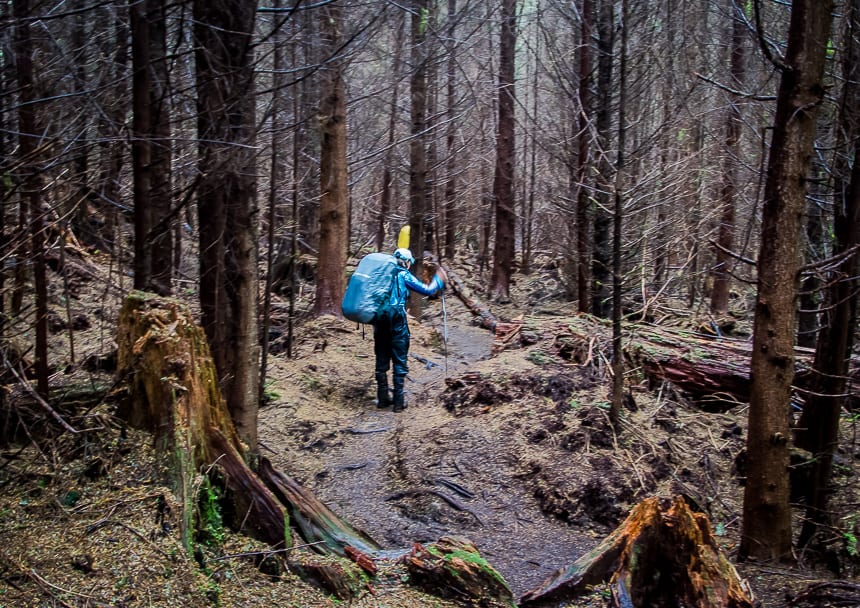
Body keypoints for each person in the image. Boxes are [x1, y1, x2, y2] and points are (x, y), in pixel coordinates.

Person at [373, 247, 447, 412]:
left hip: (379, 325)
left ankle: (383, 399)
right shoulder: (403, 275)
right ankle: (399, 403)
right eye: (409, 262)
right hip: (397, 325)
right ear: (406, 262)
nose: (409, 265)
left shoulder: (381, 274)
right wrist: (439, 279)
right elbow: (427, 290)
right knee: (399, 360)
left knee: (381, 362)